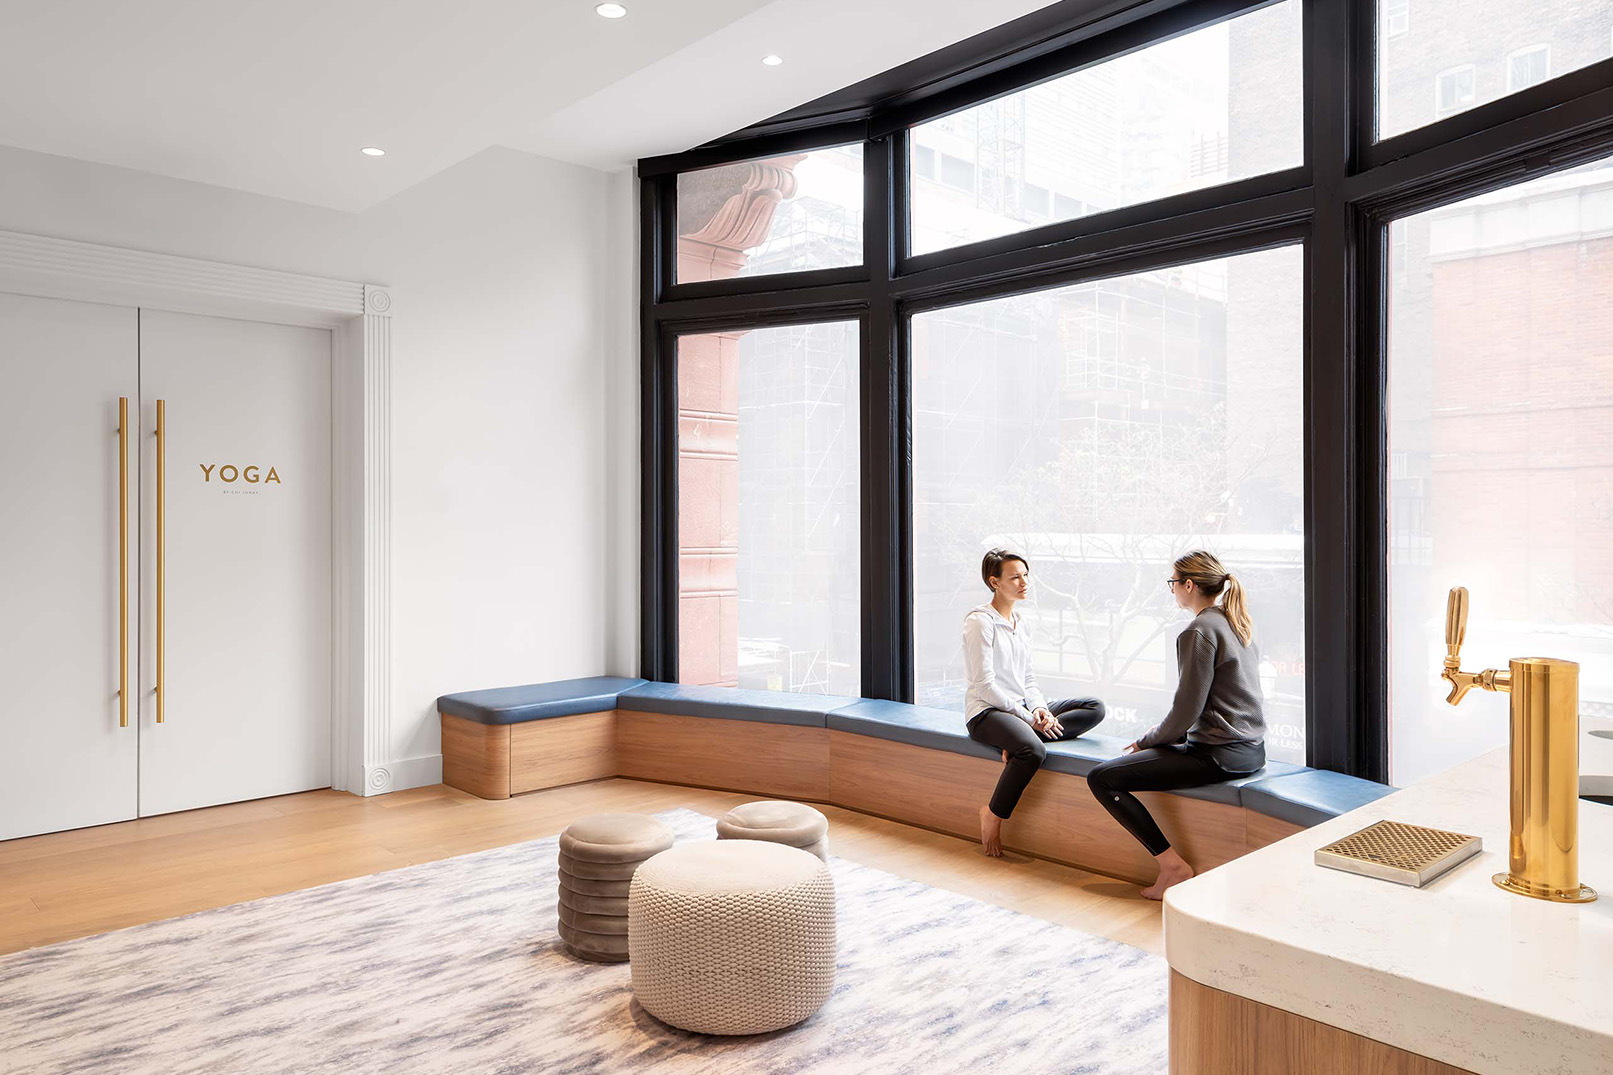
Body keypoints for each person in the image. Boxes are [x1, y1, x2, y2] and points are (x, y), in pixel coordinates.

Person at [1086, 550, 1266, 900]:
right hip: (1251, 753)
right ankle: (1171, 866)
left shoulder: (1199, 630)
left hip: (1218, 755)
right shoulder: (1235, 623)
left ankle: (1172, 866)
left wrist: (1146, 741)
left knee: (1101, 778)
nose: (1171, 590)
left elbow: (1187, 710)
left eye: (1172, 583)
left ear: (1188, 584)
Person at [963, 549, 1106, 857]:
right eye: (1015, 577)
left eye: (1026, 575)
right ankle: (993, 814)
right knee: (1033, 751)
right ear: (994, 582)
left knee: (1095, 707)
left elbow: (1028, 679)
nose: (1024, 582)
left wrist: (1039, 709)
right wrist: (1028, 720)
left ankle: (1016, 737)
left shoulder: (1020, 622)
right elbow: (985, 686)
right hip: (986, 712)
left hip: (1020, 709)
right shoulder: (980, 623)